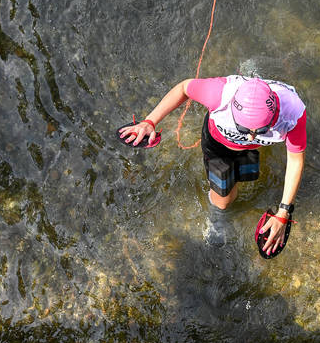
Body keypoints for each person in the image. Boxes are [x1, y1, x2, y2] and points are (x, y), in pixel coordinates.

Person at [119, 75, 305, 255]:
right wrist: (149, 121)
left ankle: (250, 72)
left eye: (262, 130)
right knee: (223, 200)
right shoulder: (219, 94)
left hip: (248, 150)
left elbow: (296, 160)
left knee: (247, 178)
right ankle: (217, 220)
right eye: (243, 129)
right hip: (217, 144)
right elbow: (184, 87)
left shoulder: (292, 113)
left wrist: (284, 212)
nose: (251, 136)